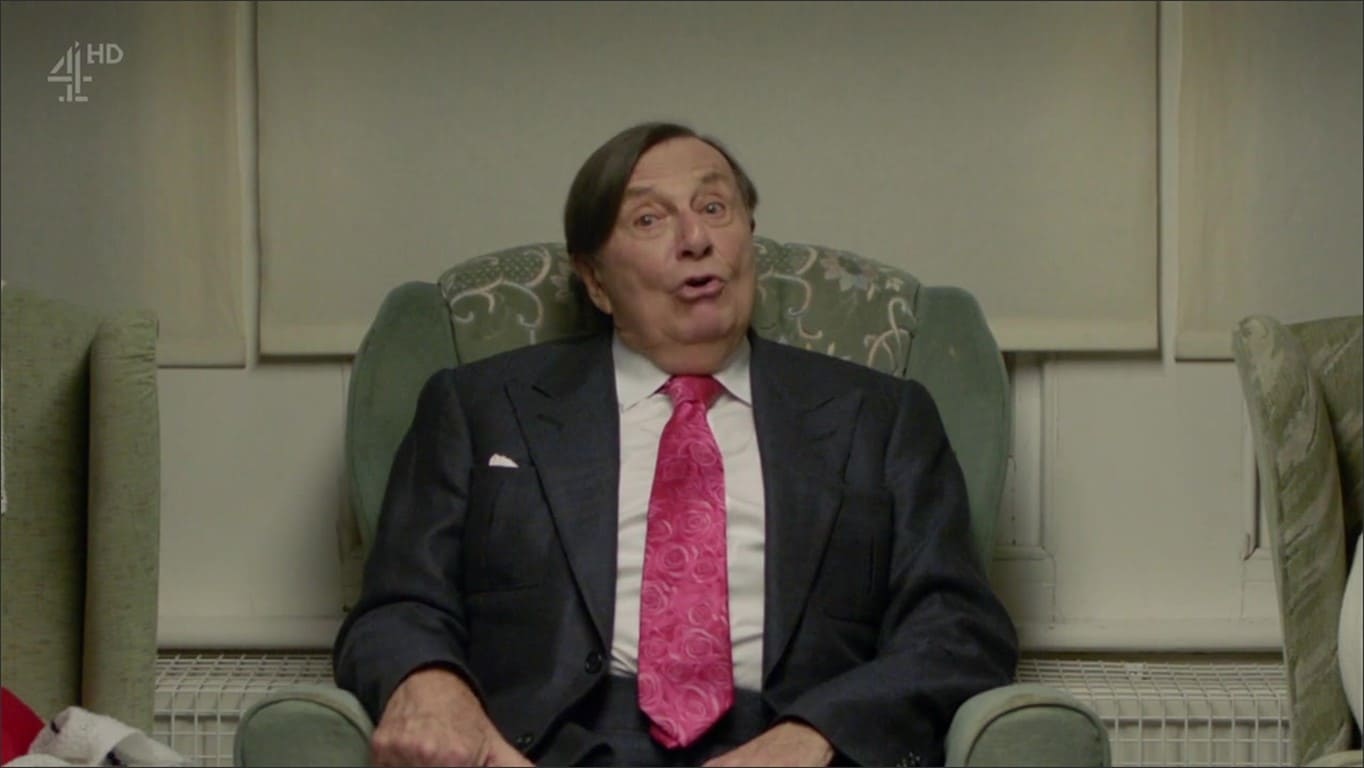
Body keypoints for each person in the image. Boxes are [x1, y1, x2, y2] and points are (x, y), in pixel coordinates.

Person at [334, 122, 1019, 767]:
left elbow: (958, 629)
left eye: (715, 208)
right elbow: (399, 607)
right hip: (550, 750)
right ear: (595, 280)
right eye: (648, 219)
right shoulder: (480, 407)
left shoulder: (881, 416)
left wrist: (816, 736)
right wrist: (429, 688)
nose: (696, 239)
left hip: (790, 743)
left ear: (749, 238)